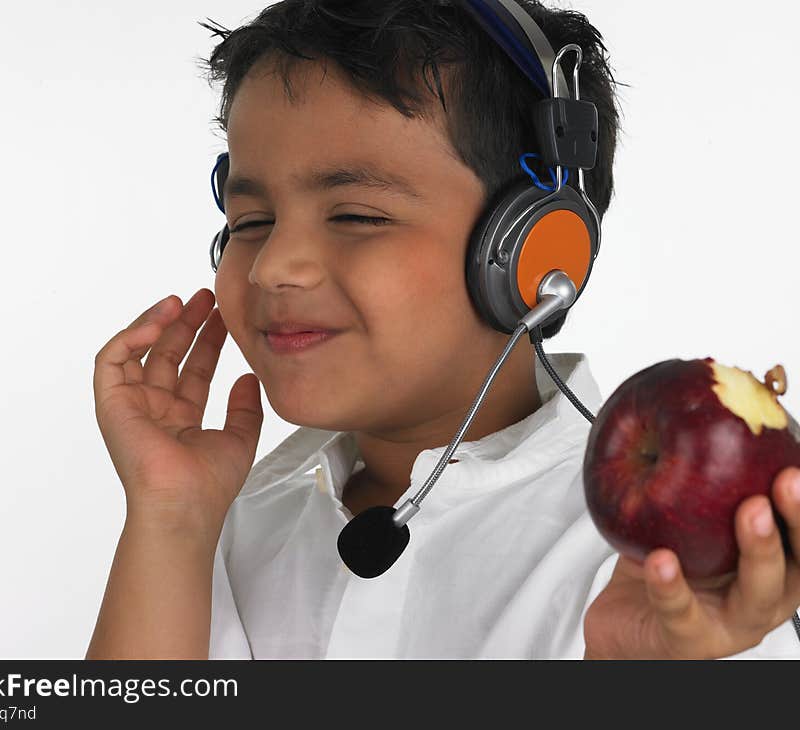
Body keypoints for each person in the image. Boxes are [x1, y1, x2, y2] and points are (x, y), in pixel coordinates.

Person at [86, 0, 800, 659]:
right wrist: (170, 519)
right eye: (250, 223)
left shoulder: (677, 572)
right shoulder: (221, 522)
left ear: (533, 250)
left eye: (356, 216)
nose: (274, 267)